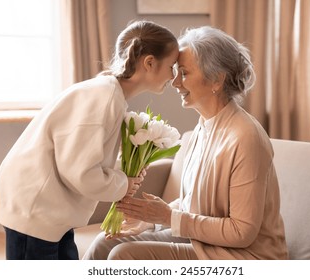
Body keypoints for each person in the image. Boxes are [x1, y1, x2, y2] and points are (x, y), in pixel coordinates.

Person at [82, 26, 288, 260]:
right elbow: (198, 205)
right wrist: (149, 220)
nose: (175, 81)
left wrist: (168, 218)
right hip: (205, 242)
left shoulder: (245, 138)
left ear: (217, 80)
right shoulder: (203, 127)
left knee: (124, 256)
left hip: (245, 257)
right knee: (104, 244)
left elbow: (241, 232)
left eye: (185, 73)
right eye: (176, 71)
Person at [0, 20, 179, 260]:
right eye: (172, 66)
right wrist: (123, 184)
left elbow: (84, 158)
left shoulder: (109, 95)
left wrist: (124, 173)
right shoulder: (104, 97)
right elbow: (79, 171)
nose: (174, 77)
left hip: (50, 210)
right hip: (35, 210)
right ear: (150, 63)